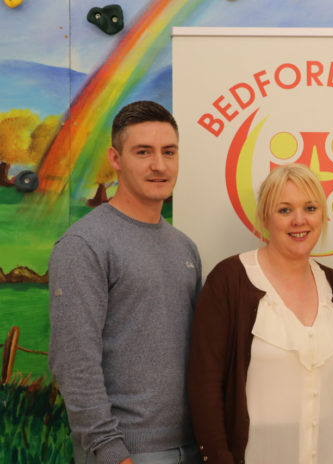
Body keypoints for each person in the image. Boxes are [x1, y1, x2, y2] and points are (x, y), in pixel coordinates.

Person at [49, 101, 203, 464]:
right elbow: (74, 362)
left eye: (169, 152)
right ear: (115, 159)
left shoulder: (185, 247)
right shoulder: (85, 245)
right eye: (143, 152)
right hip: (126, 452)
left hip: (192, 447)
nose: (159, 165)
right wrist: (110, 452)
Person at [187, 163, 333, 463]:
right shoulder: (230, 279)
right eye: (284, 210)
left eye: (310, 208)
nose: (299, 220)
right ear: (265, 217)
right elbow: (204, 385)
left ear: (323, 216)